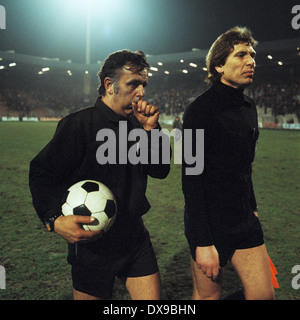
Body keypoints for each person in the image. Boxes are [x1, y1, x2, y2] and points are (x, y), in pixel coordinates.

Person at [29, 50, 170, 300]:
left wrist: (152, 130)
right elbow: (42, 172)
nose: (142, 92)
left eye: (144, 85)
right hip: (91, 245)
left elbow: (160, 170)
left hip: (134, 239)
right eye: (133, 84)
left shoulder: (140, 125)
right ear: (109, 85)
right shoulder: (78, 125)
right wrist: (53, 219)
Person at [182, 27, 275, 300]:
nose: (251, 61)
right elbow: (192, 178)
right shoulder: (199, 111)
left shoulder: (249, 107)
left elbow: (244, 168)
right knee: (209, 296)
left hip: (244, 220)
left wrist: (253, 208)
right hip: (210, 224)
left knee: (263, 295)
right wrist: (203, 241)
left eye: (253, 55)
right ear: (219, 65)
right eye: (241, 55)